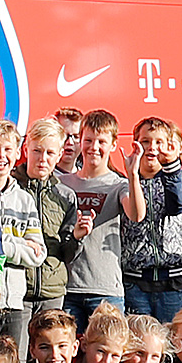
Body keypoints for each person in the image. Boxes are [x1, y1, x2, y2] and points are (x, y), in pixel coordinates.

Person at [59, 110, 144, 327]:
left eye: (101, 142)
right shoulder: (62, 183)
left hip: (106, 290)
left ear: (113, 145)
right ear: (80, 141)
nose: (93, 148)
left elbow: (136, 215)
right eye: (88, 140)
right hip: (68, 288)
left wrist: (133, 174)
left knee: (108, 354)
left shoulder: (118, 184)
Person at [0, 121, 47, 352]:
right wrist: (18, 243)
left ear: (18, 153)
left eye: (8, 149)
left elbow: (38, 255)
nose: (1, 156)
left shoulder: (24, 199)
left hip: (16, 303)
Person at [121, 117, 182, 319]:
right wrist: (133, 177)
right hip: (135, 281)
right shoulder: (125, 182)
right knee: (139, 343)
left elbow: (177, 204)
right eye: (145, 141)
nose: (152, 148)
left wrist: (171, 167)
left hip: (172, 281)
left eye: (158, 142)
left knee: (172, 343)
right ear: (135, 144)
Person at [19, 119, 83, 320]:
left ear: (59, 155)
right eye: (37, 151)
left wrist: (76, 237)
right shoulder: (11, 188)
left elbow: (67, 253)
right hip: (17, 291)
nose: (42, 159)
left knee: (50, 351)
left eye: (50, 153)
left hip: (52, 293)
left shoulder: (65, 195)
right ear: (25, 149)